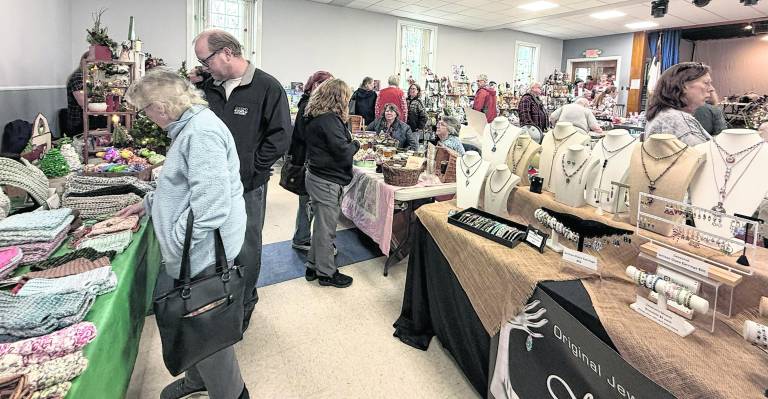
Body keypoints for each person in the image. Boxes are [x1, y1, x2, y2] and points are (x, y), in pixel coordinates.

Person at [118, 69, 249, 399]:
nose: (146, 118)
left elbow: (211, 206)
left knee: (207, 327)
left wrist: (176, 242)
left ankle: (232, 394)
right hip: (198, 248)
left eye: (145, 110)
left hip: (204, 250)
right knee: (196, 320)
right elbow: (180, 186)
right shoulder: (190, 127)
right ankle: (197, 380)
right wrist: (149, 204)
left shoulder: (200, 133)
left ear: (160, 107)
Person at [191, 29, 290, 331]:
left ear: (227, 53)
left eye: (205, 60)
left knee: (247, 246)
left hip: (248, 187)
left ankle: (244, 302)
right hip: (209, 184)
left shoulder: (267, 87)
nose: (204, 66)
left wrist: (252, 168)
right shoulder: (207, 88)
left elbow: (280, 136)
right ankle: (218, 298)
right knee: (212, 243)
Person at [303, 79, 360, 288]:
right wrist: (356, 144)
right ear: (339, 97)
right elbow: (343, 152)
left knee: (320, 226)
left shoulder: (315, 116)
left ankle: (312, 265)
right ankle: (326, 273)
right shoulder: (329, 120)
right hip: (327, 180)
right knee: (326, 230)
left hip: (317, 176)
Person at [287, 71, 333, 254]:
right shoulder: (309, 106)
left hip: (307, 159)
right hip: (308, 162)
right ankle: (302, 238)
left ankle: (302, 237)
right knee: (308, 203)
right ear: (316, 85)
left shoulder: (308, 103)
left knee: (307, 203)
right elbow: (307, 136)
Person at [644, 62, 714, 146]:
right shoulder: (675, 120)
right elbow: (704, 152)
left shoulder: (664, 114)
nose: (711, 89)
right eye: (706, 83)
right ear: (682, 85)